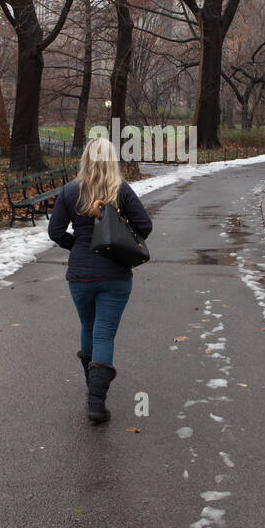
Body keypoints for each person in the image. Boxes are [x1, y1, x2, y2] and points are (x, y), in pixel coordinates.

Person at [47, 136, 152, 424]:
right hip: (115, 274)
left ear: (85, 160)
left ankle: (93, 389)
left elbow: (55, 231)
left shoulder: (70, 191)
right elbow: (145, 226)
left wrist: (79, 245)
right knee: (104, 332)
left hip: (79, 275)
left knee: (88, 326)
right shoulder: (122, 191)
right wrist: (118, 238)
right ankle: (96, 400)